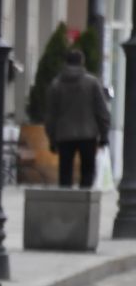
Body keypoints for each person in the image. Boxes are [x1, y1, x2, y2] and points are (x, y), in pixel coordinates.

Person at [44, 48, 112, 189]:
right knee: (88, 171)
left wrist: (51, 138)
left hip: (64, 134)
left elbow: (51, 115)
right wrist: (104, 134)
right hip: (88, 134)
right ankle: (85, 202)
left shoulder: (56, 85)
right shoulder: (92, 83)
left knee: (65, 172)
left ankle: (66, 203)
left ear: (66, 62)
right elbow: (102, 111)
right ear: (82, 62)